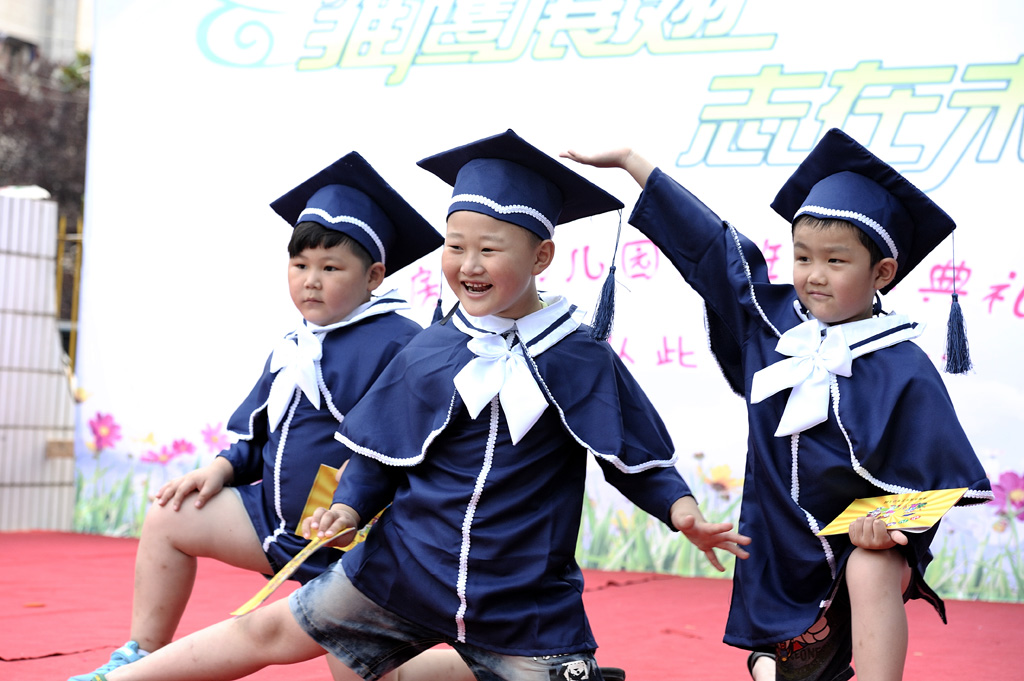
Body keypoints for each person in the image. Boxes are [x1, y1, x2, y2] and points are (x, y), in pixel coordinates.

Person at [86, 129, 750, 681]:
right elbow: (378, 455)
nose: (469, 264)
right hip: (401, 569)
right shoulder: (430, 349)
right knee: (268, 631)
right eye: (456, 247)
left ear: (541, 255)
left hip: (521, 602)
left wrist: (682, 512)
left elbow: (631, 456)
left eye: (489, 249)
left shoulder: (578, 354)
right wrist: (347, 507)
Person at [564, 128, 994, 681]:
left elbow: (936, 483)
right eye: (802, 256)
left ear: (882, 273)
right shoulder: (770, 324)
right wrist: (632, 162)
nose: (814, 275)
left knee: (870, 568)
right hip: (781, 553)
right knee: (778, 670)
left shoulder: (902, 365)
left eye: (836, 260)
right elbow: (712, 246)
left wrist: (886, 526)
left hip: (861, 547)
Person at [69, 151, 460, 681]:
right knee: (170, 516)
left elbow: (401, 450)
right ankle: (141, 654)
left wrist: (351, 512)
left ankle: (482, 669)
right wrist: (220, 469)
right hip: (271, 524)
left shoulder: (398, 344)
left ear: (373, 276)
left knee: (361, 671)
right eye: (300, 266)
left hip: (347, 542)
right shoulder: (295, 343)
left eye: (330, 268)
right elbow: (256, 435)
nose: (311, 281)